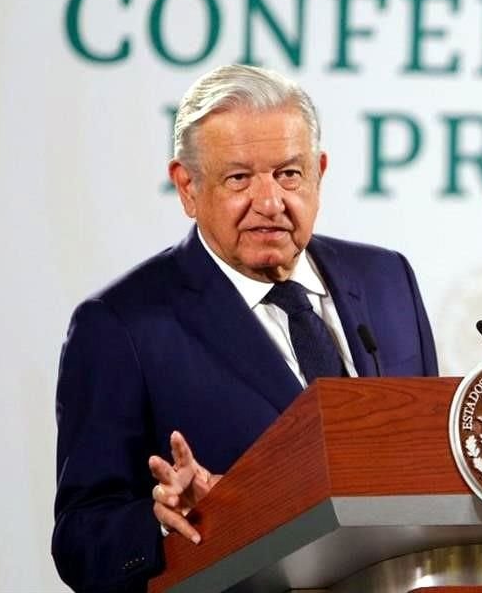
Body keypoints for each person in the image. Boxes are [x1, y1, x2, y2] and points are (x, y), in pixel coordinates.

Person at [51, 65, 438, 592]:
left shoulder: (387, 279)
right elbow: (82, 536)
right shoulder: (122, 326)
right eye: (239, 178)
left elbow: (427, 464)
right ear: (188, 187)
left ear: (319, 173)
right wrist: (163, 523)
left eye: (288, 173)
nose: (270, 202)